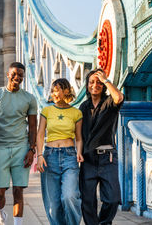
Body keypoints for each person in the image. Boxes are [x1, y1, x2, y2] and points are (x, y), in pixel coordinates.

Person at [0, 62, 38, 225]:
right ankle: (1, 215)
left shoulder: (29, 98)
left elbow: (33, 127)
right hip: (0, 149)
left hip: (21, 148)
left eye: (20, 75)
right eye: (14, 74)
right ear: (8, 74)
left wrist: (31, 150)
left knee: (18, 190)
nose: (17, 77)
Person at [79, 69, 124, 225]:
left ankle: (104, 223)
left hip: (108, 157)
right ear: (87, 85)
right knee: (87, 201)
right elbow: (79, 135)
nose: (95, 85)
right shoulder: (83, 107)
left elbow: (119, 97)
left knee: (112, 199)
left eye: (98, 82)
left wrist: (106, 80)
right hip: (88, 159)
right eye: (91, 82)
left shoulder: (110, 102)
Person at [36, 78, 84, 225]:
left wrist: (79, 152)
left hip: (70, 157)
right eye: (53, 90)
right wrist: (39, 155)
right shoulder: (47, 110)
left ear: (66, 91)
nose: (54, 93)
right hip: (49, 156)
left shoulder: (76, 113)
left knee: (69, 196)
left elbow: (79, 138)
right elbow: (40, 134)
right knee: (54, 204)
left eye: (57, 90)